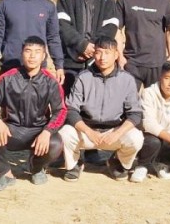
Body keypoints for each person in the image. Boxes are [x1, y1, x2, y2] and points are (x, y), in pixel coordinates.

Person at [0, 36, 66, 192]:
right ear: (22, 54)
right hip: (12, 130)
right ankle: (4, 173)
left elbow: (60, 111)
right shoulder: (8, 78)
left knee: (56, 143)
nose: (32, 56)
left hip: (38, 131)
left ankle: (36, 167)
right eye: (28, 51)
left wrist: (47, 131)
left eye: (37, 52)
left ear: (44, 56)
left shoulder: (50, 81)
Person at [58, 36, 144, 182]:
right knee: (65, 133)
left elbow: (135, 114)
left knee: (136, 138)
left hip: (113, 131)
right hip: (87, 131)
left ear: (116, 55)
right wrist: (88, 131)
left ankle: (117, 162)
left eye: (107, 53)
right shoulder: (83, 77)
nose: (102, 57)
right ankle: (74, 164)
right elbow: (71, 110)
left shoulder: (127, 79)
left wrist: (117, 133)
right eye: (98, 52)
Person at [57, 0, 119, 93]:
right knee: (70, 99)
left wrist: (93, 47)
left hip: (97, 61)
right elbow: (62, 25)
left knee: (94, 98)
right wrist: (81, 45)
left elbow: (110, 26)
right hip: (71, 60)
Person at [117, 0, 170, 89]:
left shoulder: (165, 1)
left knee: (155, 99)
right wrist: (120, 56)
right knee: (128, 99)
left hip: (157, 63)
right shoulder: (125, 0)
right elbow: (117, 30)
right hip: (132, 62)